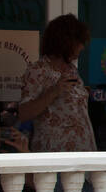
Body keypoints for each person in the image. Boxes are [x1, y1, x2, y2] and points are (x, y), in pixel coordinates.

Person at [18, 14, 96, 154]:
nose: (82, 47)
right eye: (79, 42)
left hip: (82, 152)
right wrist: (54, 91)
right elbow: (24, 113)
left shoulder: (72, 69)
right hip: (55, 154)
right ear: (66, 42)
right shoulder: (38, 70)